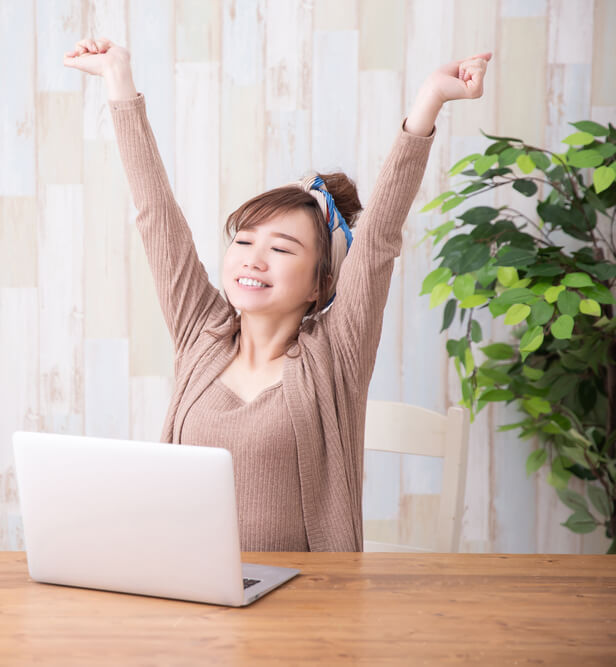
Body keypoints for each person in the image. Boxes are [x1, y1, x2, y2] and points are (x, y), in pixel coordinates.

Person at [64, 38, 490, 551]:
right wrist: (118, 80)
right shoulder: (201, 332)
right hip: (189, 595)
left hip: (307, 608)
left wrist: (428, 103)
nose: (252, 259)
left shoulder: (335, 357)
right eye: (243, 241)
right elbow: (157, 216)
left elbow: (377, 242)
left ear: (320, 284)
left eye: (282, 249)